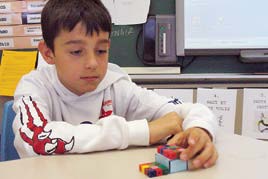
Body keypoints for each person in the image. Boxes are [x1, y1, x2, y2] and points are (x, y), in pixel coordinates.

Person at [12, 0, 218, 169]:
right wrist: (143, 131)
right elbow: (39, 138)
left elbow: (184, 112)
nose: (93, 63)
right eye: (76, 52)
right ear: (48, 53)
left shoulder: (116, 85)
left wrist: (199, 130)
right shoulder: (34, 87)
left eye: (101, 51)